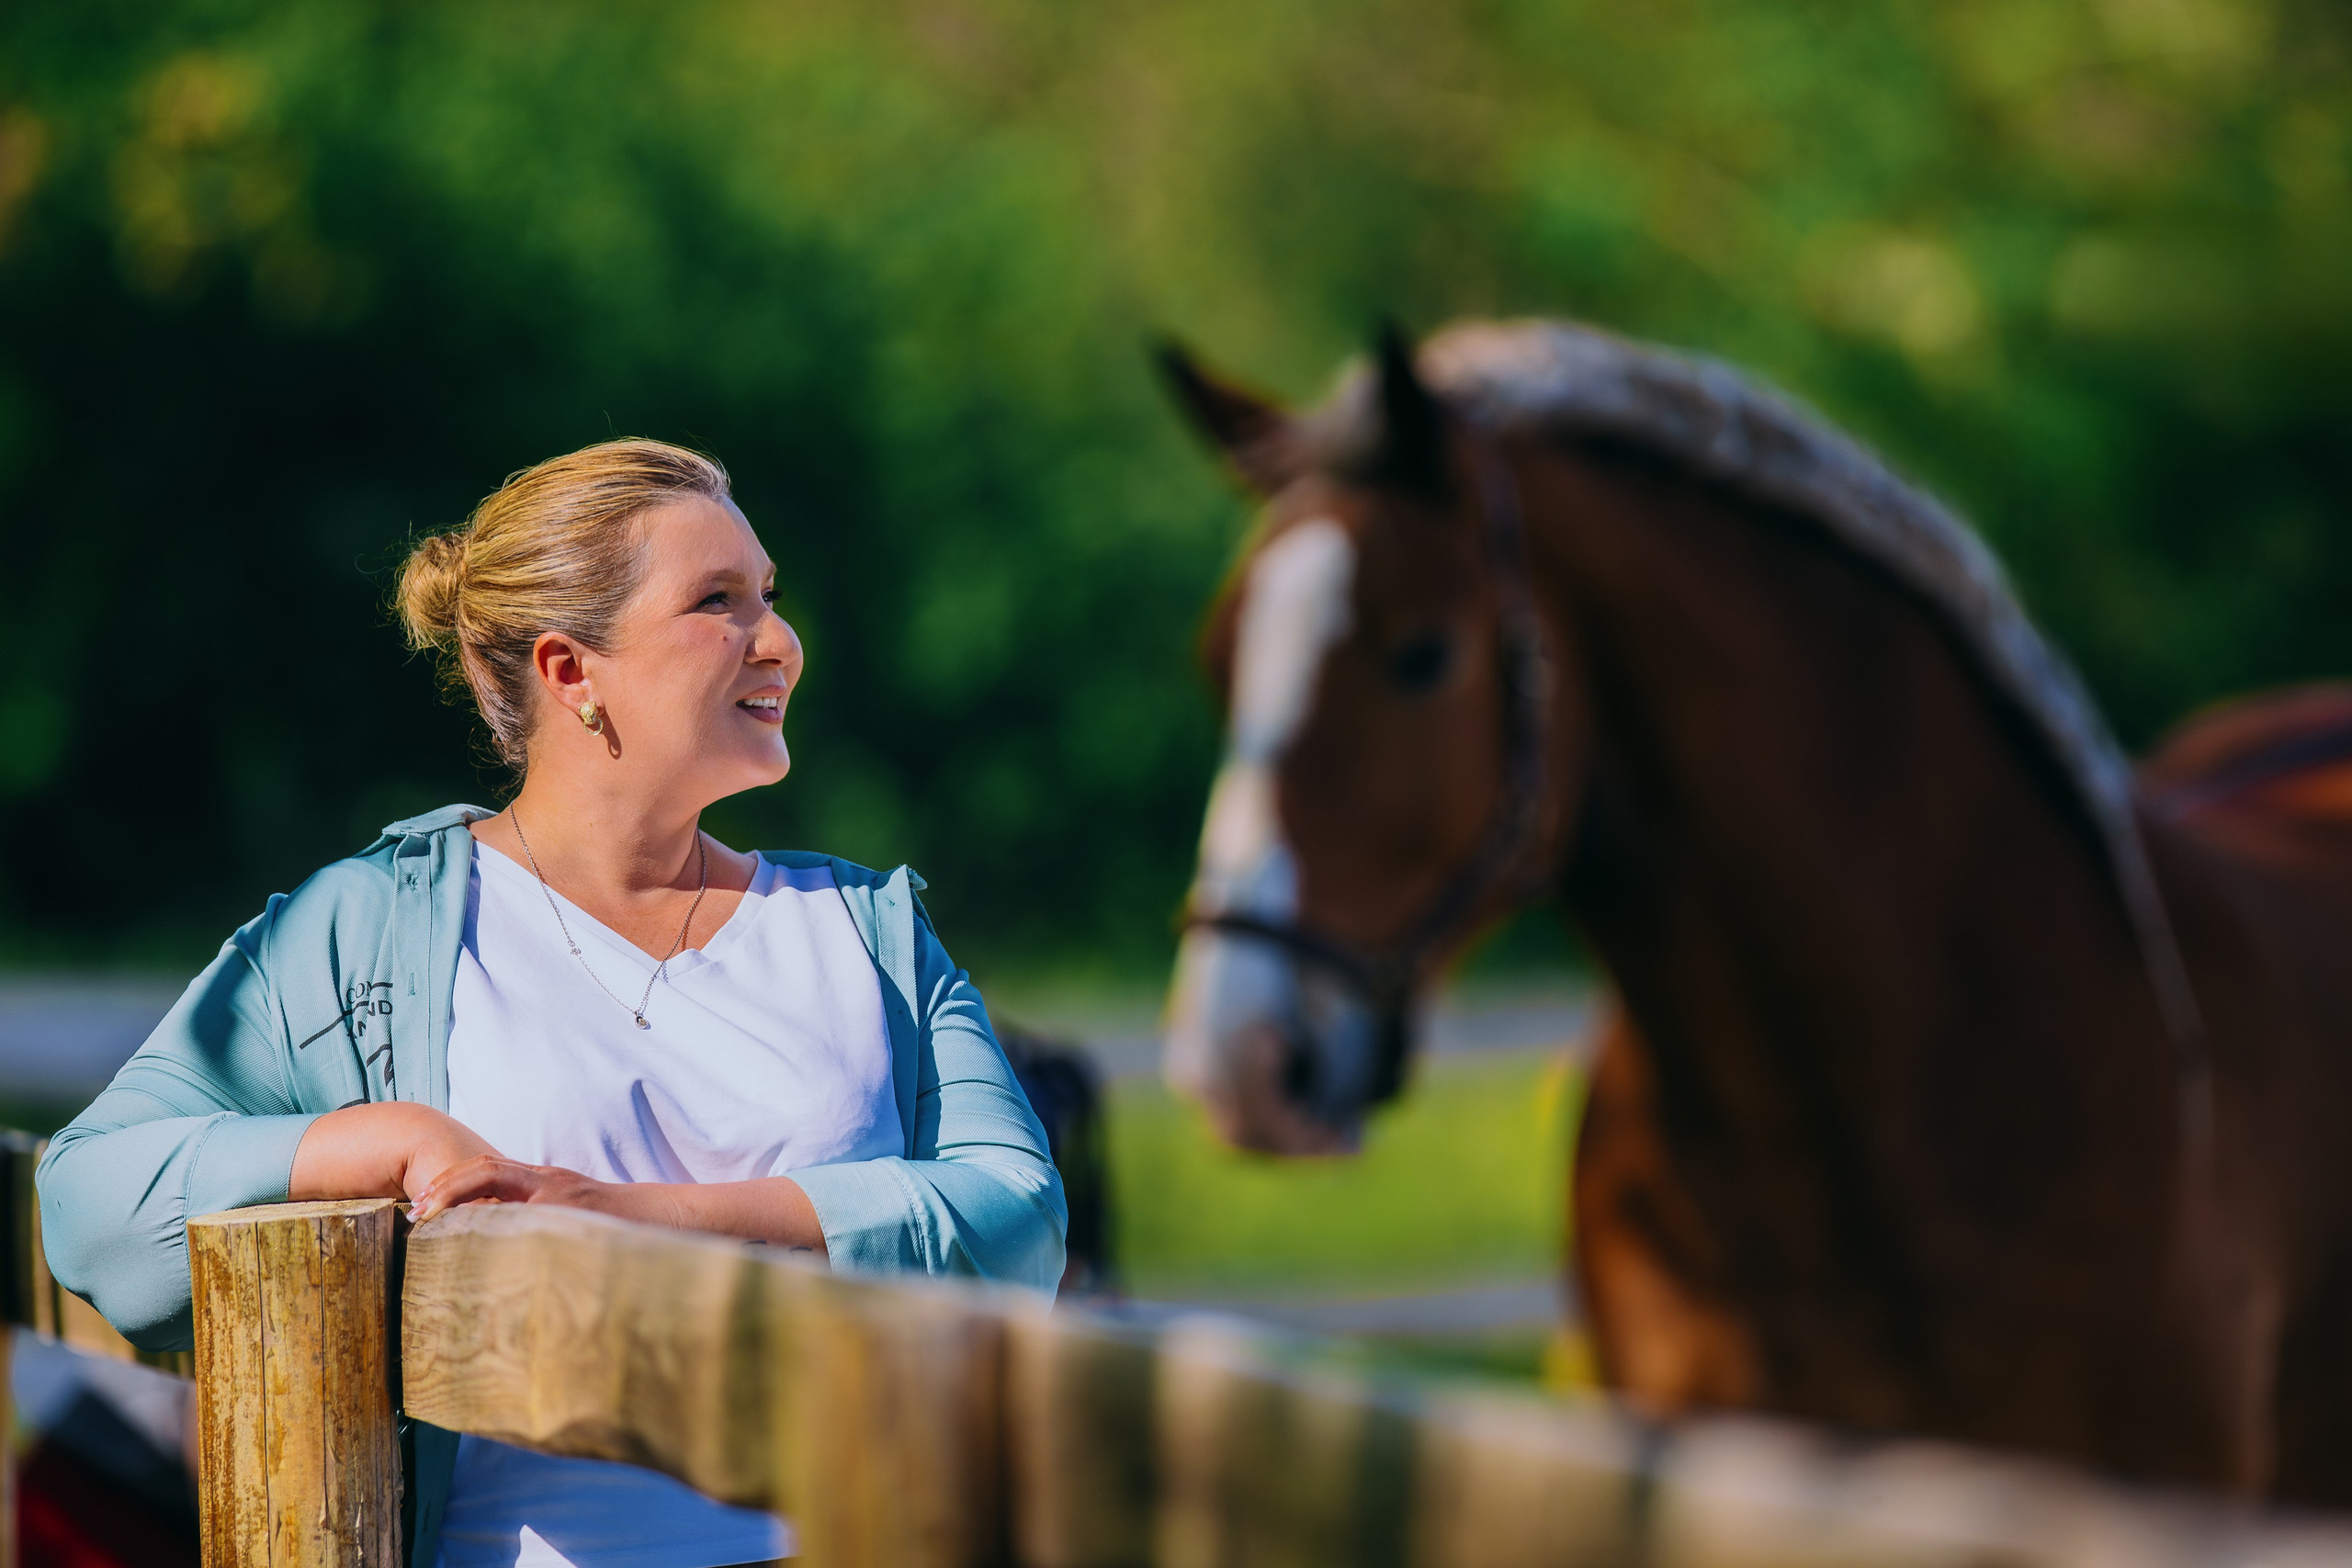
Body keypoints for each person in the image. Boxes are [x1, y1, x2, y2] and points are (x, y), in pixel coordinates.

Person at [36, 439, 1067, 1568]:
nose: (780, 643)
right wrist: (379, 1141)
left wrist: (624, 1221)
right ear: (573, 672)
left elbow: (1019, 1225)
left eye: (768, 597)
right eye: (717, 603)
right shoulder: (368, 929)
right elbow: (89, 1206)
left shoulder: (868, 932)